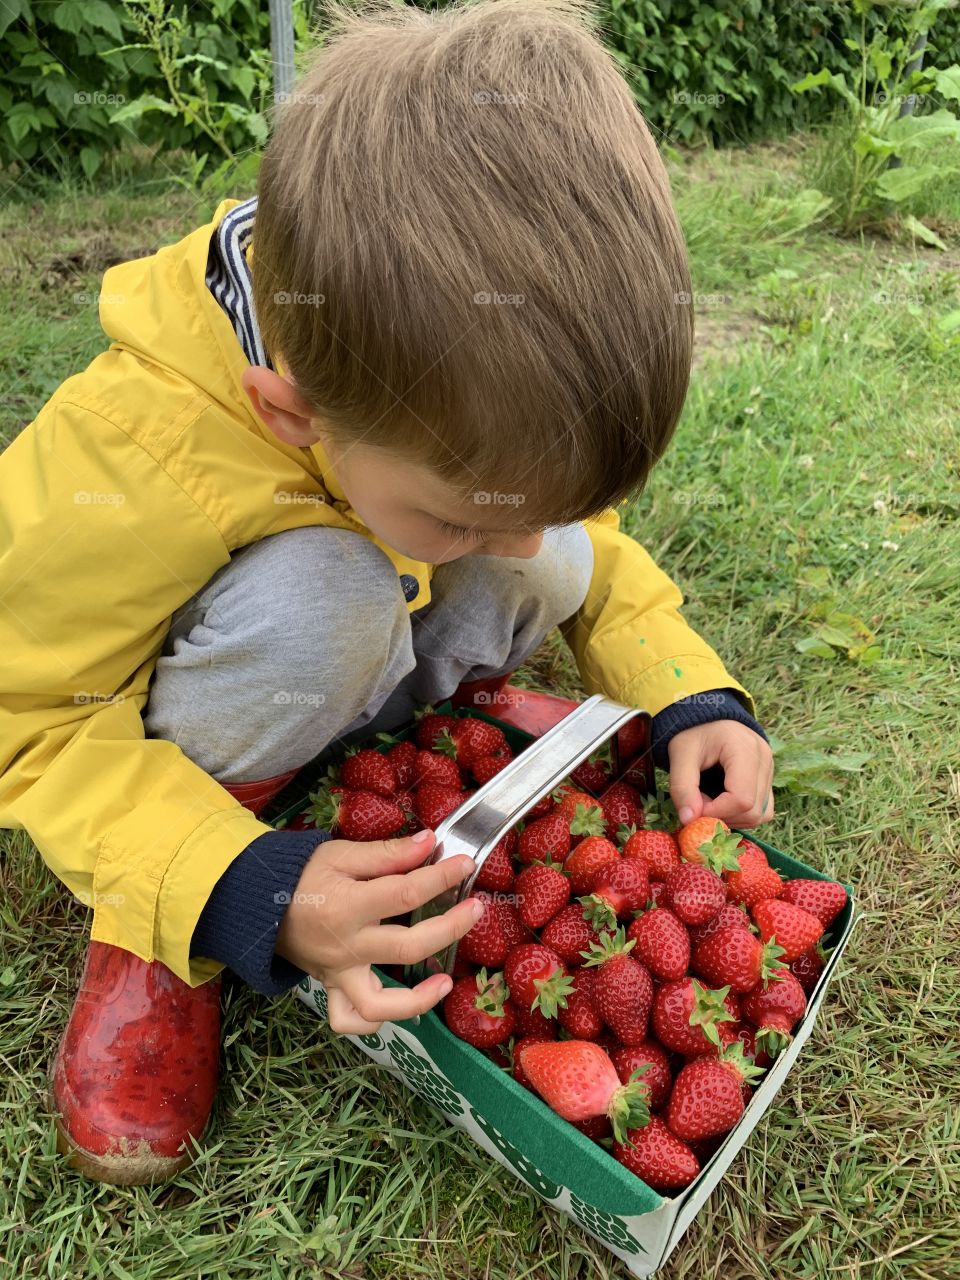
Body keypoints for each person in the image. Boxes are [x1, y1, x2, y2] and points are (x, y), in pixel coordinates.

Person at [0, 0, 772, 1186]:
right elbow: (28, 719)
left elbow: (569, 539)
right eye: (466, 512)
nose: (503, 544)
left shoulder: (445, 408)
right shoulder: (133, 452)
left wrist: (683, 683)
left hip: (364, 662)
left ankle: (441, 743)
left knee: (556, 557)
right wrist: (225, 880)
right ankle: (165, 934)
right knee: (329, 593)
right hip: (198, 726)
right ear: (291, 414)